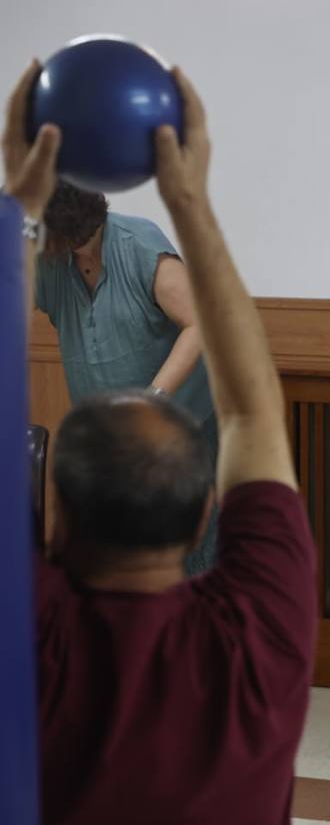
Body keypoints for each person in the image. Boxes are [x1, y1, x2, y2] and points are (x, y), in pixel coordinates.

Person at [3, 61, 318, 825]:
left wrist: (15, 205)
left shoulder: (28, 637)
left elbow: (222, 382)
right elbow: (254, 413)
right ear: (207, 504)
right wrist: (195, 197)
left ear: (54, 515)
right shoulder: (264, 631)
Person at [33, 177, 218, 574]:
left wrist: (152, 398)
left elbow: (200, 323)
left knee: (183, 557)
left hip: (178, 433)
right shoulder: (48, 259)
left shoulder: (138, 245)